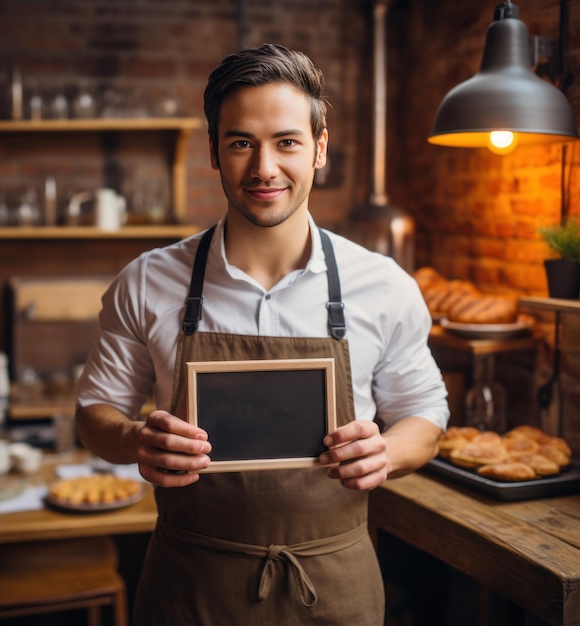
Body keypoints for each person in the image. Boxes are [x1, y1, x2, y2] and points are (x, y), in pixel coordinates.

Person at [75, 43, 449, 626]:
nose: (264, 168)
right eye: (241, 142)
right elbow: (95, 410)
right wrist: (133, 441)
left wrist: (387, 452)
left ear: (320, 149)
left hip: (336, 587)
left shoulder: (382, 285)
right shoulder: (147, 281)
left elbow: (425, 414)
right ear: (214, 153)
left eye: (287, 141)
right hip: (188, 587)